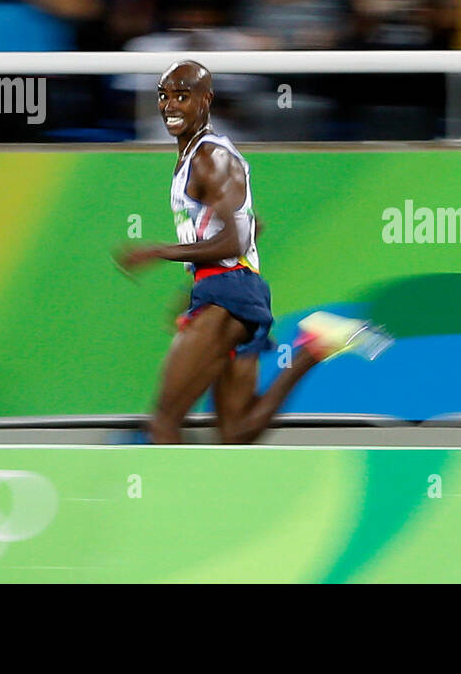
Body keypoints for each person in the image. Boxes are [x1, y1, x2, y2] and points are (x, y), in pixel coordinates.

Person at [115, 61, 391, 444]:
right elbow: (251, 224)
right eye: (164, 96)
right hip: (233, 291)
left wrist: (158, 251)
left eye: (182, 96)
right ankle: (312, 349)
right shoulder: (199, 156)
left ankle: (176, 504)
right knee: (236, 432)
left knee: (164, 420)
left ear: (206, 100)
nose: (170, 106)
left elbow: (236, 241)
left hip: (225, 296)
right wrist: (191, 287)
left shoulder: (210, 159)